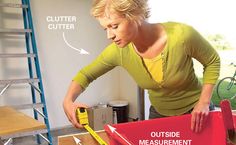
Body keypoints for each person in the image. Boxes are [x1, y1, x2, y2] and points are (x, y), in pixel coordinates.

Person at [63, 0, 220, 133]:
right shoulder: (118, 52)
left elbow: (212, 61)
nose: (109, 35)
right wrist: (68, 101)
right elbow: (86, 75)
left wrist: (204, 102)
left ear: (135, 15)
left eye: (115, 26)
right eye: (106, 28)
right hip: (159, 116)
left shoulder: (182, 35)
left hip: (197, 112)